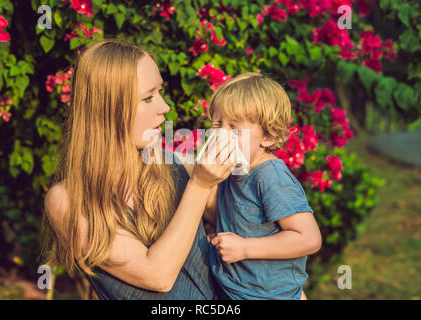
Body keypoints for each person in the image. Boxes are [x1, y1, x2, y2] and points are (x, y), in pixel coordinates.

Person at [41, 38, 237, 299]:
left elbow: (256, 230)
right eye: (147, 98)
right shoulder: (68, 201)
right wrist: (200, 187)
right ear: (107, 110)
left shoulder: (178, 167)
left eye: (160, 92)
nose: (164, 108)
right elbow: (157, 275)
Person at [198, 72, 322, 300]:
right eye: (217, 125)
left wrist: (245, 248)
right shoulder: (232, 169)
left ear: (268, 136)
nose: (221, 135)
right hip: (232, 291)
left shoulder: (270, 177)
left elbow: (309, 238)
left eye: (234, 129)